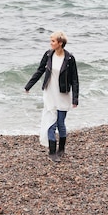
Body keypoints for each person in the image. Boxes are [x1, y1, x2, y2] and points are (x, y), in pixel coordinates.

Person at [25, 31, 79, 162]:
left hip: (63, 94)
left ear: (60, 43)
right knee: (51, 122)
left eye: (53, 41)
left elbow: (74, 79)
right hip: (50, 93)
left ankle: (61, 150)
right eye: (51, 41)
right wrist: (29, 85)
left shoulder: (70, 58)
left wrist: (75, 98)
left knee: (61, 123)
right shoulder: (48, 54)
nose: (51, 43)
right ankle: (52, 152)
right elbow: (40, 70)